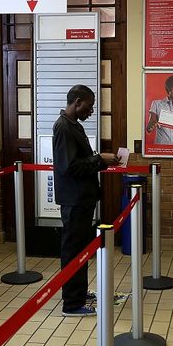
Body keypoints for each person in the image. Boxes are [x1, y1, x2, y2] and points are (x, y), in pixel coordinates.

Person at [53, 84, 119, 317]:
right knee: (73, 251)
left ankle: (79, 293)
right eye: (89, 106)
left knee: (81, 250)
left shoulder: (74, 126)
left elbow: (79, 160)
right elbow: (69, 166)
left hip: (82, 199)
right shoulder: (63, 128)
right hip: (74, 200)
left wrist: (98, 159)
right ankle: (71, 304)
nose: (91, 111)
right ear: (77, 102)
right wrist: (100, 159)